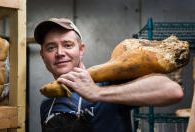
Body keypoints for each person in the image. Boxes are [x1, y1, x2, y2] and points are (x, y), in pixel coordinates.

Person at [34, 18, 184, 132]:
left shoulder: (108, 83)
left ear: (81, 50)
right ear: (43, 55)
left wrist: (97, 93)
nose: (60, 53)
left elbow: (172, 91)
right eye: (51, 47)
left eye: (67, 45)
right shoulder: (47, 105)